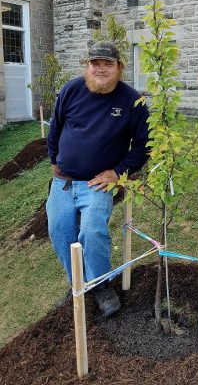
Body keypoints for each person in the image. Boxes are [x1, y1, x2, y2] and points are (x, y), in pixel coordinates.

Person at [47, 41, 149, 317]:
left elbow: (143, 145)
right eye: (95, 63)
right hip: (63, 182)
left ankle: (101, 284)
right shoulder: (71, 90)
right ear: (87, 66)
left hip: (97, 184)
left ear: (119, 68)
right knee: (60, 233)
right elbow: (55, 126)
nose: (101, 68)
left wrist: (117, 173)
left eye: (108, 64)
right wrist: (54, 159)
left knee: (92, 231)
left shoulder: (131, 101)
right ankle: (78, 284)